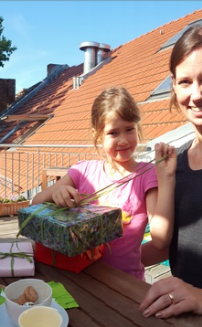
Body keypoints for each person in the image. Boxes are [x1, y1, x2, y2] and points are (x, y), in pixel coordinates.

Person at [32, 86, 169, 280]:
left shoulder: (147, 175)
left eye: (129, 129)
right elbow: (35, 203)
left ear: (137, 128)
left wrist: (167, 179)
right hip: (81, 276)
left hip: (126, 283)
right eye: (113, 133)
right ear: (98, 135)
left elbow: (161, 239)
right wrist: (57, 193)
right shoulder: (83, 171)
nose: (123, 140)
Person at [139, 24, 202, 319]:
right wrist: (104, 255)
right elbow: (170, 246)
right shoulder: (176, 161)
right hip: (180, 324)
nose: (196, 95)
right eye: (185, 81)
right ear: (173, 85)